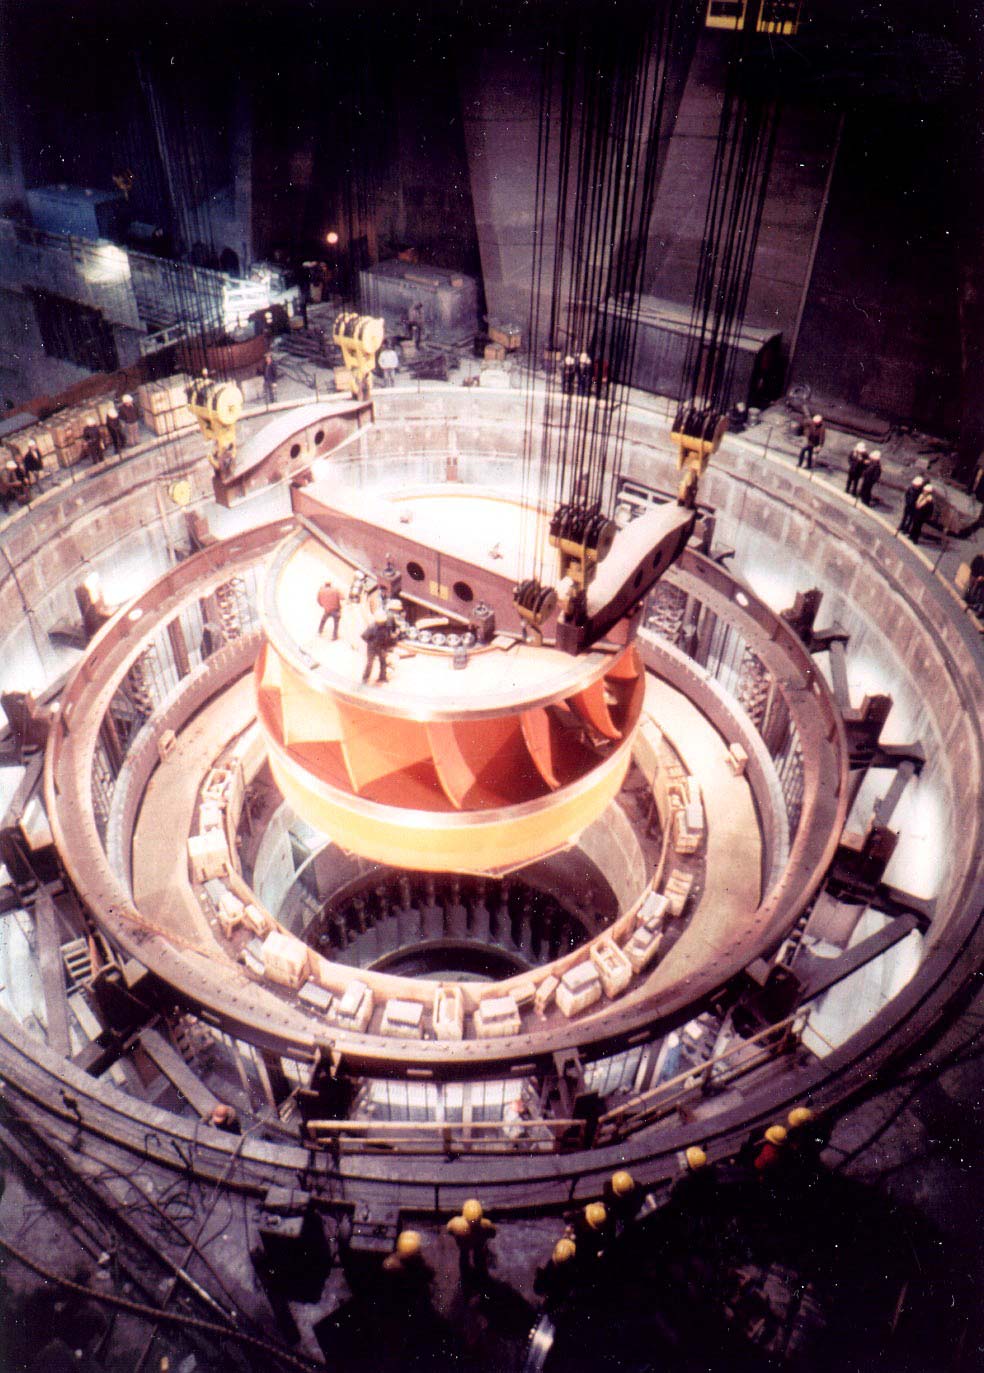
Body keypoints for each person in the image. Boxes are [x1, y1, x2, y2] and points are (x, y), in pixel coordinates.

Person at [446, 1199, 496, 1285]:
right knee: (479, 1255)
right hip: (478, 1244)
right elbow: (493, 1233)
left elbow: (449, 1230)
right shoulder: (485, 1224)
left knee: (464, 1256)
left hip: (463, 1244)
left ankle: (465, 1278)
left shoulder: (456, 1224)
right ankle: (480, 1278)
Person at [361, 609, 393, 684]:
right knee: (370, 662)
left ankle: (382, 677)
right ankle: (365, 677)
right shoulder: (372, 627)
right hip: (372, 647)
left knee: (383, 662)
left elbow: (388, 636)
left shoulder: (386, 626)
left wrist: (387, 645)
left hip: (382, 647)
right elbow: (364, 636)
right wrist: (371, 643)